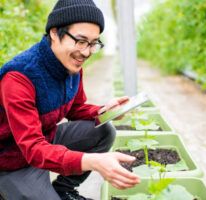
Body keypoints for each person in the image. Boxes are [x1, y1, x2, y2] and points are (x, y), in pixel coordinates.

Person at [0, 0, 140, 199]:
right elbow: (32, 148)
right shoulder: (19, 78)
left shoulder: (71, 65)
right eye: (81, 41)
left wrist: (103, 111)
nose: (86, 52)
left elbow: (75, 109)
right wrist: (93, 161)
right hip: (12, 159)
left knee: (104, 130)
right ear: (55, 33)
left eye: (93, 43)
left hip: (46, 139)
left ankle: (63, 189)